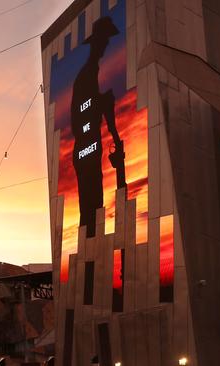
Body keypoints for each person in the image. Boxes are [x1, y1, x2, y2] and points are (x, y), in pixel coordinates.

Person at [70, 16, 124, 237]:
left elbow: (93, 105)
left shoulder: (91, 71)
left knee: (94, 210)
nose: (106, 45)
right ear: (97, 42)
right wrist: (101, 103)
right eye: (104, 40)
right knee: (91, 212)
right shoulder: (87, 73)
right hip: (86, 150)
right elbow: (80, 116)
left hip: (91, 148)